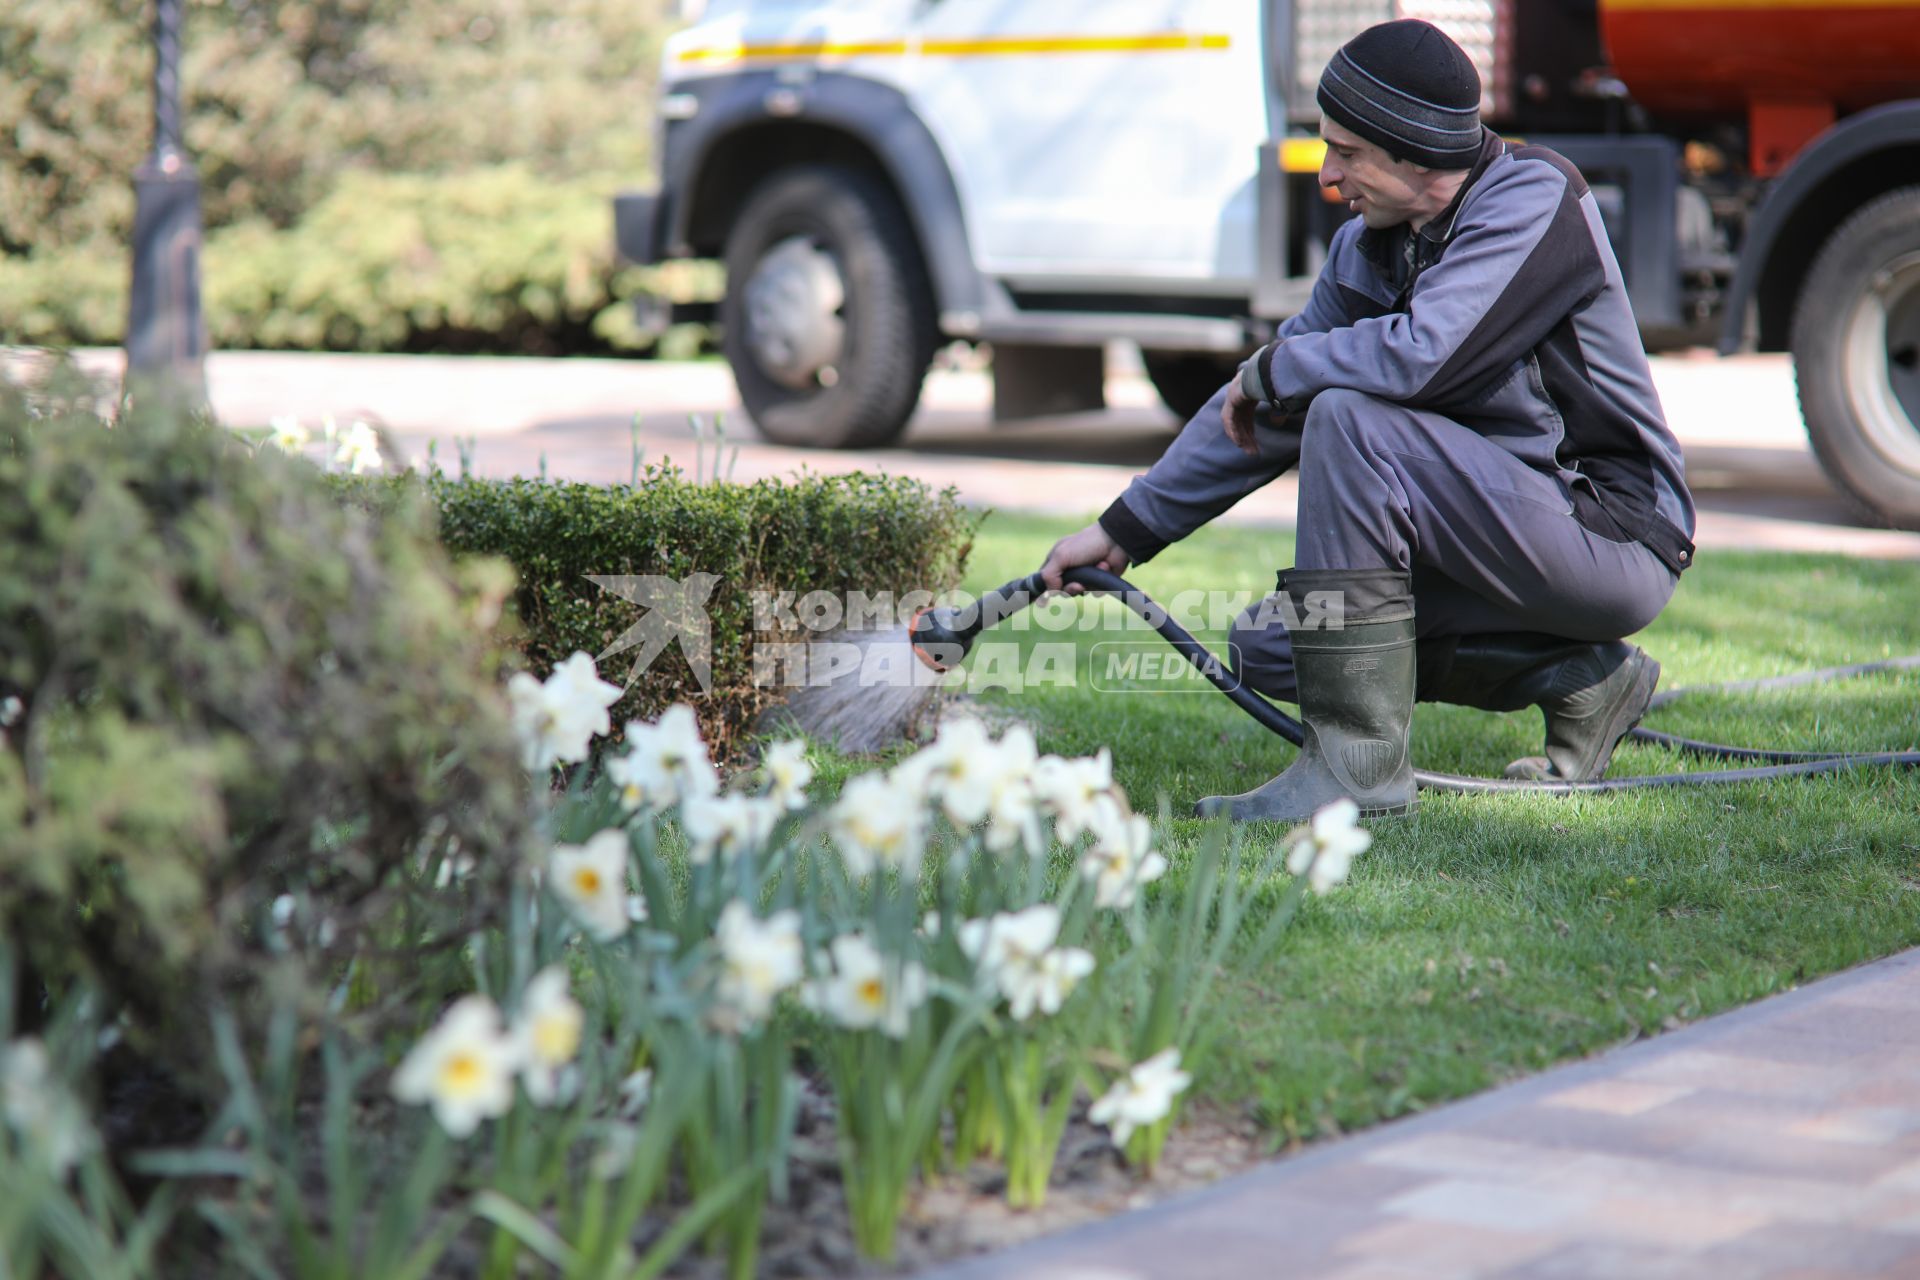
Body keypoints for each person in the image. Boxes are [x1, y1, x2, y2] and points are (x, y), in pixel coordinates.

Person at [1038, 18, 1696, 822]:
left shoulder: (1535, 198)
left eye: (1347, 152)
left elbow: (1424, 355)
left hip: (1611, 535)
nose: (1327, 175)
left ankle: (1354, 772)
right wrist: (1124, 529)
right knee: (1274, 645)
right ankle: (1585, 680)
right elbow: (1261, 416)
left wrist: (1280, 367)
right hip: (1497, 534)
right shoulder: (1367, 247)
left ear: (1417, 153)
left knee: (1350, 419)